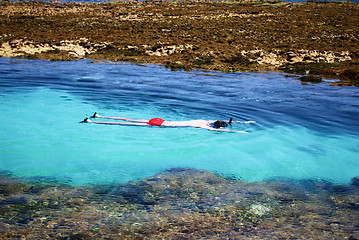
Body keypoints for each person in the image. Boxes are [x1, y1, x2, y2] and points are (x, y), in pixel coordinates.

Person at [81, 112, 253, 133]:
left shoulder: (202, 120)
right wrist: (240, 131)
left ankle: (99, 115)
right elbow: (221, 130)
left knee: (129, 120)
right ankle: (91, 122)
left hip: (162, 120)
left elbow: (217, 124)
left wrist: (244, 122)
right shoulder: (201, 126)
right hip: (160, 125)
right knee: (126, 125)